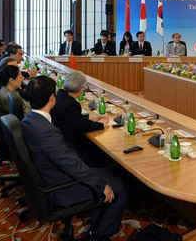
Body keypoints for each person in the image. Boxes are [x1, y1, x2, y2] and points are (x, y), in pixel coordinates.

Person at [21, 76, 129, 240]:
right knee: (120, 186)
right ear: (51, 98)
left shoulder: (30, 120)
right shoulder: (47, 132)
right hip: (61, 186)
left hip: (50, 175)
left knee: (108, 172)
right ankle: (100, 235)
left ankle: (97, 220)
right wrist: (101, 185)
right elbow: (72, 165)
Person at [51, 71, 108, 165]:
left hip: (60, 141)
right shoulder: (71, 104)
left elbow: (72, 119)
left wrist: (89, 119)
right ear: (82, 89)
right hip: (69, 148)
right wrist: (101, 124)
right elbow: (83, 126)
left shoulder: (60, 95)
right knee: (103, 158)